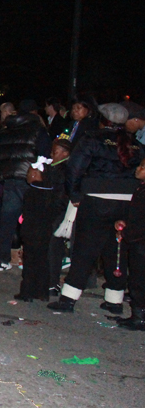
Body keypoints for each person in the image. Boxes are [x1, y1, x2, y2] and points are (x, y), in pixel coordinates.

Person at [48, 103, 143, 313]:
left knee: (85, 248)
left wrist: (75, 194)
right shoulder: (135, 145)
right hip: (126, 202)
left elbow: (75, 168)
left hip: (96, 199)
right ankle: (114, 300)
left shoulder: (92, 139)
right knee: (117, 250)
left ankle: (69, 298)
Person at [0, 101, 51, 271]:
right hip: (30, 179)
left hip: (10, 178)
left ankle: (1, 259)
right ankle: (28, 259)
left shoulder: (5, 130)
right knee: (31, 220)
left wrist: (3, 174)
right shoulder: (37, 130)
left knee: (7, 219)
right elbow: (44, 154)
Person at [15, 139, 71, 301]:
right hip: (46, 217)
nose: (52, 154)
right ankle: (41, 290)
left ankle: (32, 290)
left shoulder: (58, 173)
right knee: (41, 254)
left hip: (43, 218)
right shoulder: (52, 173)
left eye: (56, 151)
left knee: (36, 254)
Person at [113, 160, 145, 331]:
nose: (138, 169)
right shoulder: (140, 188)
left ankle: (139, 317)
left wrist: (126, 233)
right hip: (137, 240)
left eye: (142, 167)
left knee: (138, 280)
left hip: (140, 243)